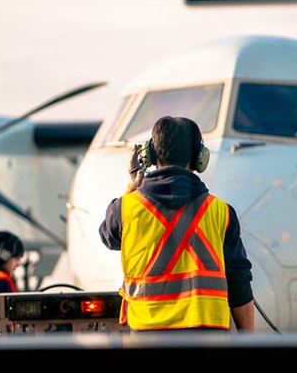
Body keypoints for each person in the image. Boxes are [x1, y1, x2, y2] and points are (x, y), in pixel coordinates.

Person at [99, 116, 255, 333]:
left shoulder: (125, 209)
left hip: (146, 336)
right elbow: (238, 281)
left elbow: (108, 237)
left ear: (150, 154)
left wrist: (133, 185)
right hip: (207, 339)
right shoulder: (221, 212)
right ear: (199, 158)